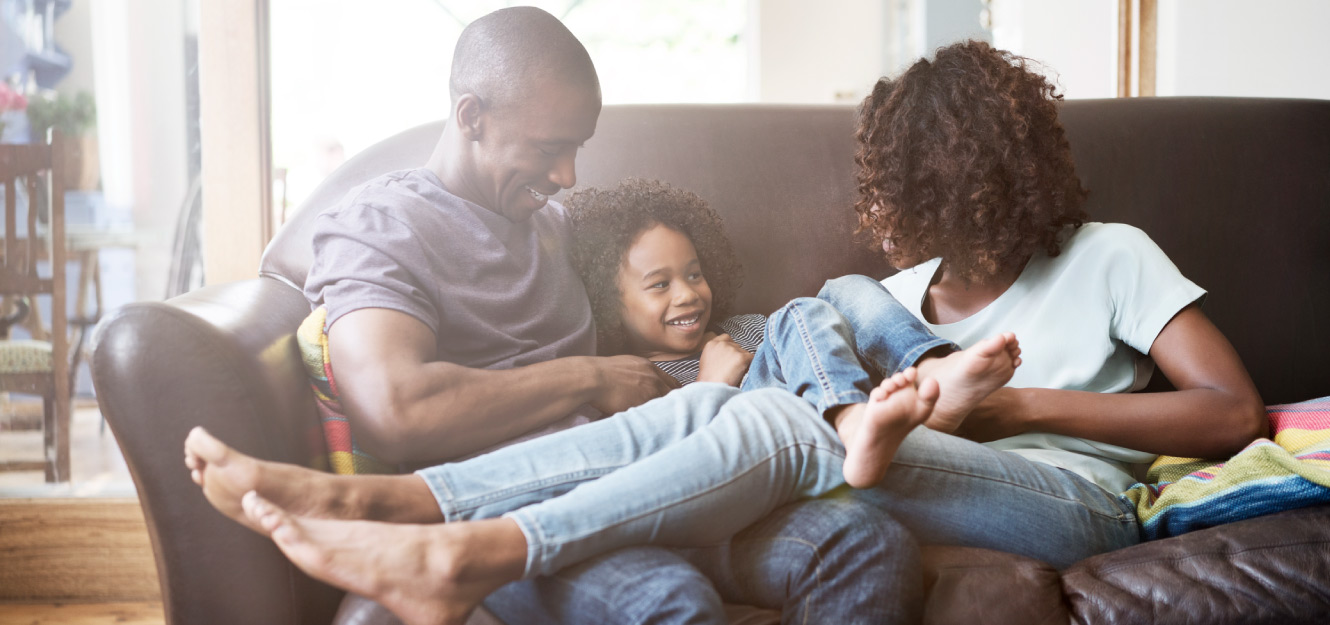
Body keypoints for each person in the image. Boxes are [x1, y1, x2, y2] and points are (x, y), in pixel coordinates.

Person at [188, 39, 1268, 623]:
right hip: (918, 459)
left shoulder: (1108, 253)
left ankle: (458, 539)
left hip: (1075, 498)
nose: (913, 220)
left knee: (788, 421)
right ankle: (412, 506)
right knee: (746, 392)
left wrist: (1009, 404)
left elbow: (1232, 411)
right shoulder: (903, 287)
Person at [242, 5, 929, 624]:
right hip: (511, 508)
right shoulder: (379, 226)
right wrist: (590, 379)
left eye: (578, 148)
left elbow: (661, 291)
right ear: (471, 116)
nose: (568, 175)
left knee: (865, 544)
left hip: (646, 480)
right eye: (549, 148)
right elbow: (396, 407)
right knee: (668, 601)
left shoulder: (556, 224)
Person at [564, 177, 1018, 486]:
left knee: (843, 290)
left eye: (694, 274)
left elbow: (819, 347)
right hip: (761, 443)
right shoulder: (636, 377)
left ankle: (931, 369)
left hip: (856, 397)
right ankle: (854, 421)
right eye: (659, 285)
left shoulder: (744, 326)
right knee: (798, 313)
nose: (687, 294)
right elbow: (671, 467)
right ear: (608, 301)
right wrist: (708, 386)